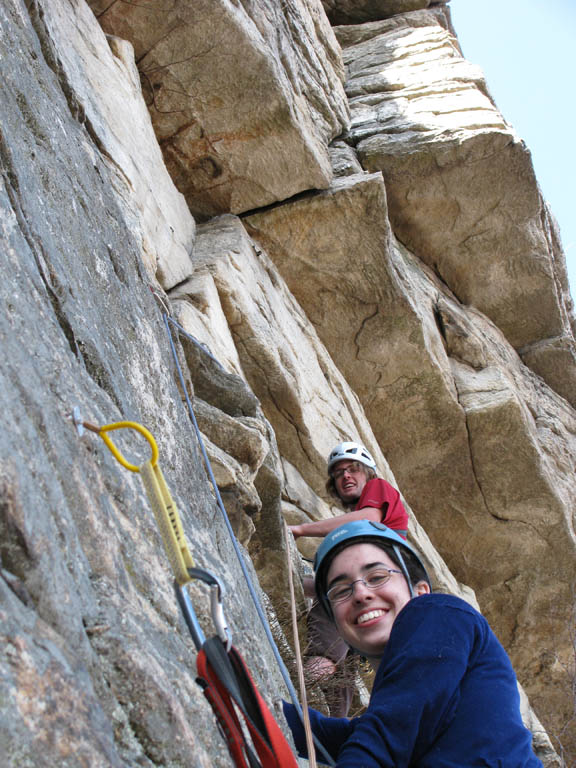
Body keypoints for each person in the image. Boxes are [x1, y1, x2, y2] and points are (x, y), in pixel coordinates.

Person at [283, 520, 543, 767]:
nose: (361, 593)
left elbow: (384, 735)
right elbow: (357, 734)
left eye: (377, 576)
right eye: (340, 591)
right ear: (338, 625)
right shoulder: (406, 705)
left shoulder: (439, 611)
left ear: (420, 592)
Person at [288, 442, 410, 717]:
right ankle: (332, 734)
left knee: (325, 652)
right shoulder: (374, 537)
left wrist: (301, 529)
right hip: (380, 598)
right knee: (342, 673)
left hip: (360, 586)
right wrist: (298, 584)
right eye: (338, 473)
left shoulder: (378, 490)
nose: (345, 476)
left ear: (368, 473)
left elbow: (366, 518)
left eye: (353, 469)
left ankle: (285, 693)